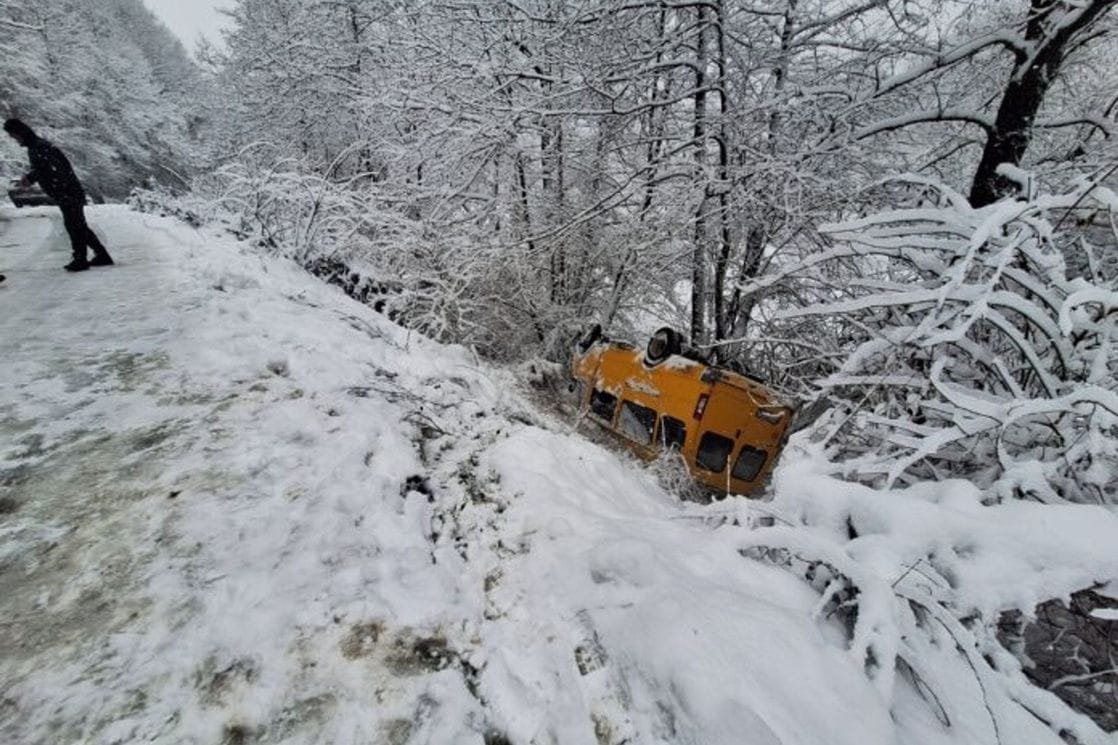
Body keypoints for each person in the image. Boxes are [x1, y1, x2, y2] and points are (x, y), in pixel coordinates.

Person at [3, 118, 113, 272]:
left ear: (19, 133)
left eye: (13, 136)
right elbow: (46, 168)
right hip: (67, 191)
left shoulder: (39, 147)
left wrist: (32, 178)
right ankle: (101, 255)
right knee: (78, 225)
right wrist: (31, 178)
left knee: (74, 225)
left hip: (67, 192)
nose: (14, 139)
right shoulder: (38, 146)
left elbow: (52, 169)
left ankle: (81, 259)